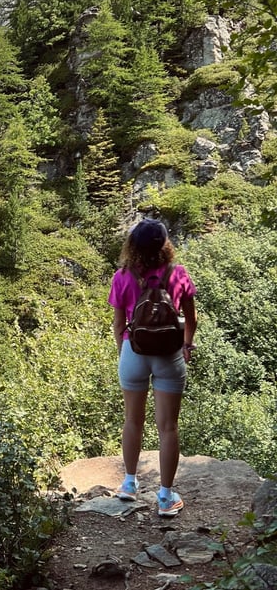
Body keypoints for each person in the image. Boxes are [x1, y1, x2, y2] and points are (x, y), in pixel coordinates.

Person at [107, 218, 198, 518]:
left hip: (134, 350)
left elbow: (120, 324)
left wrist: (126, 354)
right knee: (168, 427)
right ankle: (165, 497)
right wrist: (186, 344)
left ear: (132, 246)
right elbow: (191, 318)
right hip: (169, 354)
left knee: (132, 420)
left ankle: (129, 484)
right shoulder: (179, 273)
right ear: (164, 244)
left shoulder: (122, 276)